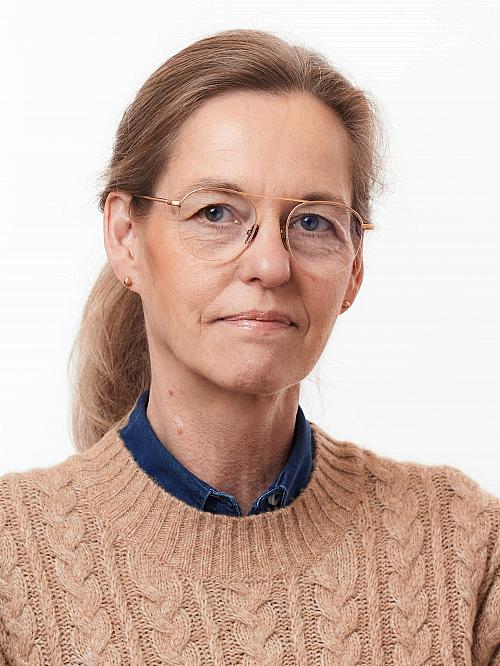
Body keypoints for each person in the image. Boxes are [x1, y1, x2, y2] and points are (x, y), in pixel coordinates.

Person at [0, 28, 498, 665]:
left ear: (354, 268)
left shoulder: (461, 547)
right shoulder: (15, 560)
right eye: (215, 212)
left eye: (313, 221)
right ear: (126, 238)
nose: (270, 264)